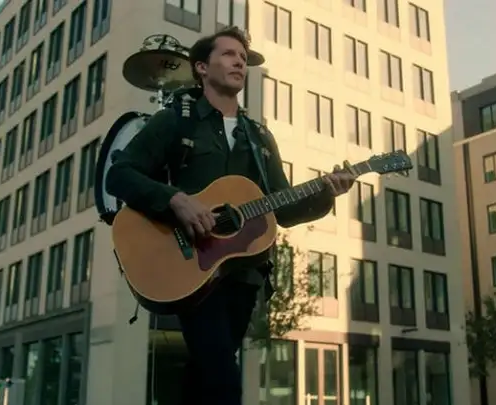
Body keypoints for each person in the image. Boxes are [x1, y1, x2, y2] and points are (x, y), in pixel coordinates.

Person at [105, 26, 355, 405]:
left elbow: (282, 208)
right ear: (201, 68)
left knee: (206, 375)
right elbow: (119, 174)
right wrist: (176, 200)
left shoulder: (259, 137)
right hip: (189, 266)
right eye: (228, 54)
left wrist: (325, 193)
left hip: (243, 274)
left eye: (242, 57)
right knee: (222, 377)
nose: (239, 62)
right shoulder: (176, 120)